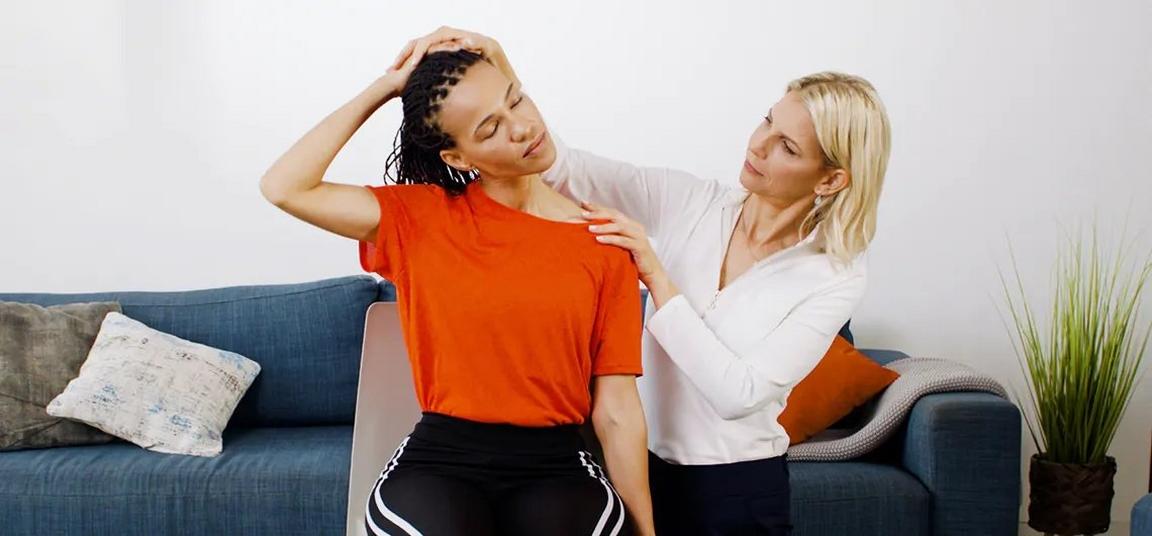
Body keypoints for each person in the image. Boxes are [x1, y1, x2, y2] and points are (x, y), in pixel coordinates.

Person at [410, 28, 891, 535]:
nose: (758, 145)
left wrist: (656, 275)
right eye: (767, 120)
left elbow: (740, 394)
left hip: (737, 489)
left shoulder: (835, 275)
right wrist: (502, 78)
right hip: (636, 469)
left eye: (787, 147)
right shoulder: (692, 201)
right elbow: (561, 168)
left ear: (830, 179)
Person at [259, 32, 655, 536]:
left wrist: (647, 529)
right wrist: (386, 88)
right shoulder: (419, 218)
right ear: (459, 158)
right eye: (490, 128)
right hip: (443, 458)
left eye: (517, 100)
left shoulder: (604, 241)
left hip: (557, 462)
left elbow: (617, 409)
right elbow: (284, 186)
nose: (522, 128)